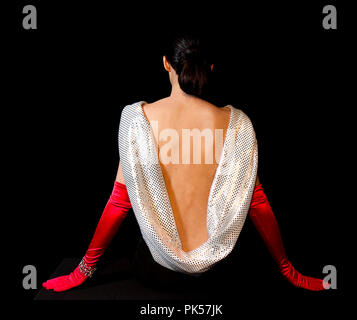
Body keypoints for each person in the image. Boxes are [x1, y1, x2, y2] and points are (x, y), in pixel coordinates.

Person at [43, 34, 329, 293]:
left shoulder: (136, 120)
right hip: (219, 273)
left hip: (158, 273)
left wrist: (82, 271)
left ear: (166, 63)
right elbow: (256, 202)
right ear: (211, 67)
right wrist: (289, 271)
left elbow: (120, 201)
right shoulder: (238, 125)